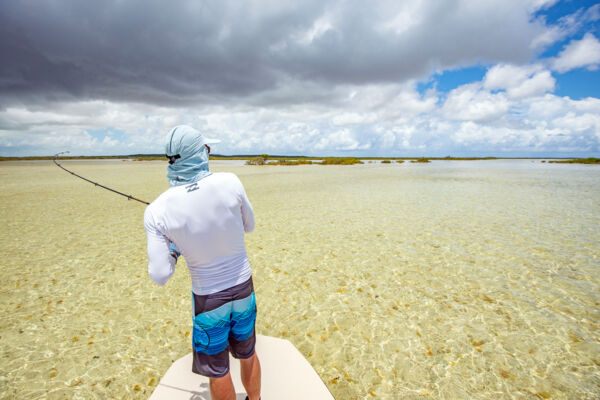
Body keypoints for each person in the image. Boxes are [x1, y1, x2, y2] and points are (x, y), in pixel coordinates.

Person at [143, 125, 261, 400]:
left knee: (218, 372)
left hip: (208, 300)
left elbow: (160, 275)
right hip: (243, 286)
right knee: (248, 354)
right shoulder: (231, 181)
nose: (209, 152)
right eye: (206, 149)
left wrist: (175, 249)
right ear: (200, 153)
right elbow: (250, 226)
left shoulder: (157, 210)